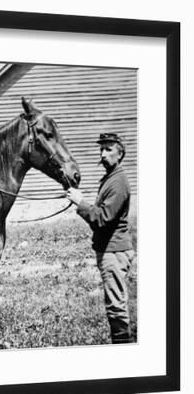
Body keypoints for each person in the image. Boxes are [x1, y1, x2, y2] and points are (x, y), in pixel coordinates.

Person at [66, 132, 135, 344]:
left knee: (116, 307)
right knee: (115, 303)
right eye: (101, 149)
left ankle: (124, 352)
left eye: (108, 150)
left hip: (113, 252)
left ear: (120, 154)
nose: (103, 154)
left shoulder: (118, 182)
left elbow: (102, 218)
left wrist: (81, 202)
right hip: (110, 250)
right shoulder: (112, 178)